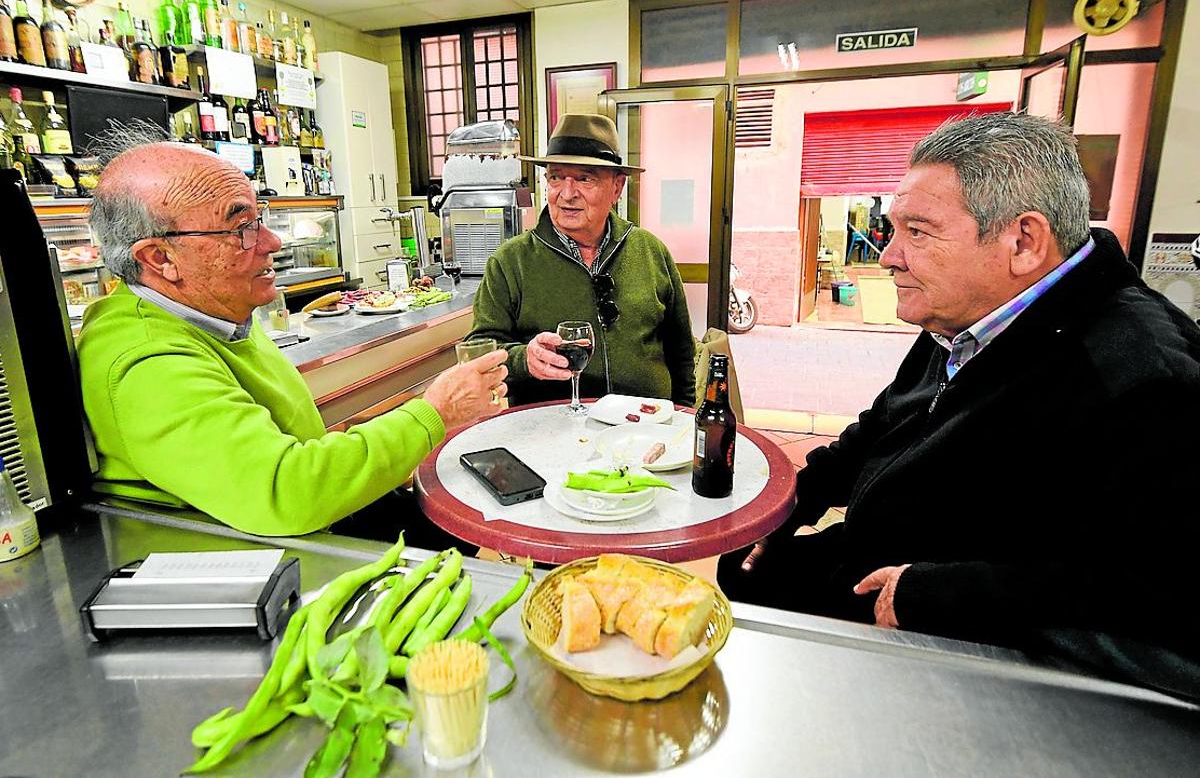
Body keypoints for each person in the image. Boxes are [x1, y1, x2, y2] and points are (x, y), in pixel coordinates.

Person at [719, 113, 1200, 698]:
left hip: (954, 612)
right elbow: (881, 424)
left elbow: (1161, 587)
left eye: (918, 233)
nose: (888, 257)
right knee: (739, 567)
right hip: (878, 549)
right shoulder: (966, 313)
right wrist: (794, 504)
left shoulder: (1146, 375)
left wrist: (940, 593)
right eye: (893, 231)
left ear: (1023, 242)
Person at [78, 139, 509, 539]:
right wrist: (433, 412)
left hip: (324, 518)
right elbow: (287, 491)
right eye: (240, 227)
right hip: (268, 561)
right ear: (159, 258)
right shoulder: (148, 362)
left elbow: (289, 438)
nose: (272, 241)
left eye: (260, 218)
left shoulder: (216, 316)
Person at [466, 113, 695, 406]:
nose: (567, 194)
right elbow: (478, 350)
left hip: (644, 430)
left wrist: (686, 417)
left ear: (617, 187)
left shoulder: (650, 251)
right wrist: (525, 359)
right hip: (551, 432)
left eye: (585, 178)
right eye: (556, 177)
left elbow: (682, 352)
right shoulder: (511, 262)